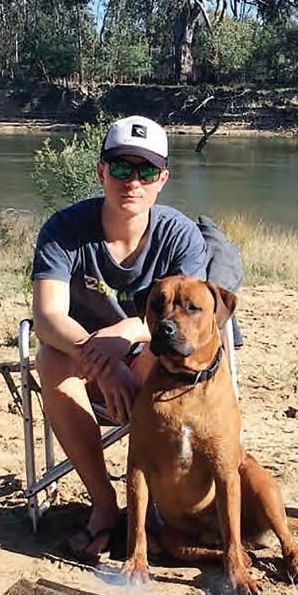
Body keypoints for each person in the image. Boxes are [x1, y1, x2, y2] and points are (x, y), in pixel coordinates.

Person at [31, 115, 207, 557]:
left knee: (167, 355)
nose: (133, 181)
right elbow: (48, 316)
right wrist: (104, 364)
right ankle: (105, 505)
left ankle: (160, 508)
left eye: (146, 170)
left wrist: (125, 334)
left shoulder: (179, 235)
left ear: (162, 179)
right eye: (122, 167)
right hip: (86, 365)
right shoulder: (65, 230)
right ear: (101, 171)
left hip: (154, 366)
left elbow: (190, 323)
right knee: (50, 358)